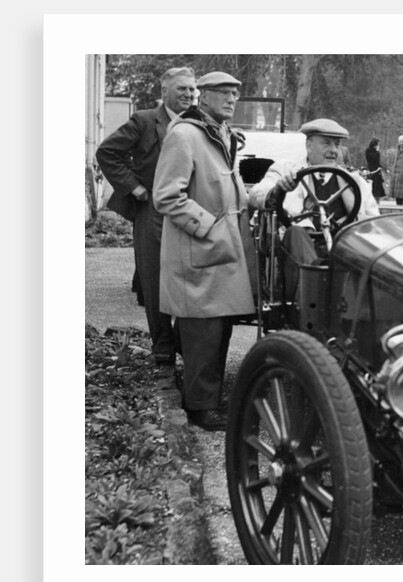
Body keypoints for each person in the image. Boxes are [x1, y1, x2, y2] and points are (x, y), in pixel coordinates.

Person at [152, 71, 255, 432]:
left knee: (216, 328)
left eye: (235, 94)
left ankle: (205, 397)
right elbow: (167, 196)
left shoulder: (220, 133)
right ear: (204, 97)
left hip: (218, 251)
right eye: (223, 93)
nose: (231, 99)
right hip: (200, 250)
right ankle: (200, 407)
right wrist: (209, 228)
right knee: (204, 331)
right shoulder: (185, 135)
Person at [96, 66, 197, 366]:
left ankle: (183, 342)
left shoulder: (199, 122)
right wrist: (135, 188)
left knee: (192, 275)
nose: (189, 95)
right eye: (182, 89)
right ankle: (163, 351)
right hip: (153, 208)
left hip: (190, 208)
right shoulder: (144, 120)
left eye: (192, 89)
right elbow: (107, 152)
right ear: (165, 91)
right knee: (154, 279)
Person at [248, 118, 379, 300]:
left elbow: (373, 224)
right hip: (300, 249)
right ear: (308, 146)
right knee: (296, 233)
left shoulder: (355, 182)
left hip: (342, 250)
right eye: (326, 143)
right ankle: (314, 291)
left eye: (337, 144)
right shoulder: (286, 170)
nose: (333, 150)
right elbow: (256, 194)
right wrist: (278, 189)